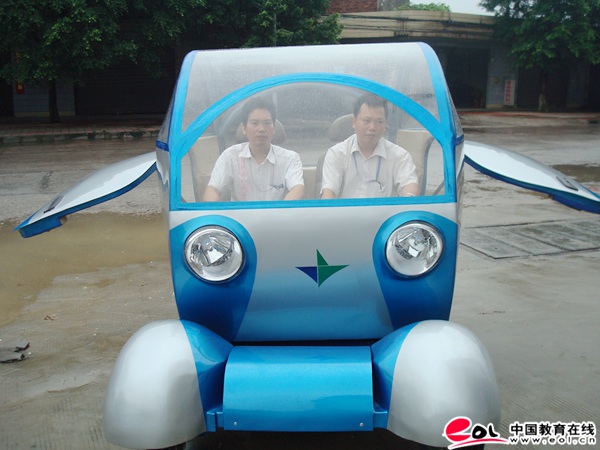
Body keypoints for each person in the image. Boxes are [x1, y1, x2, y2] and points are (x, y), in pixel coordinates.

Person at [202, 98, 304, 202]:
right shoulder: (230, 156)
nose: (261, 129)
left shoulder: (290, 158)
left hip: (278, 213)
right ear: (244, 128)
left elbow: (297, 189)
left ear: (274, 128)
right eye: (255, 123)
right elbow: (213, 190)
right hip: (241, 213)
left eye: (267, 123)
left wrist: (280, 211)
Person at [320, 94, 419, 199]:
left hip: (384, 210)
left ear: (385, 124)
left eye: (379, 122)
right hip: (346, 210)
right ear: (354, 122)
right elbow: (328, 194)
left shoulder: (400, 156)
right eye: (366, 121)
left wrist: (409, 196)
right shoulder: (336, 154)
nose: (372, 127)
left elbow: (410, 187)